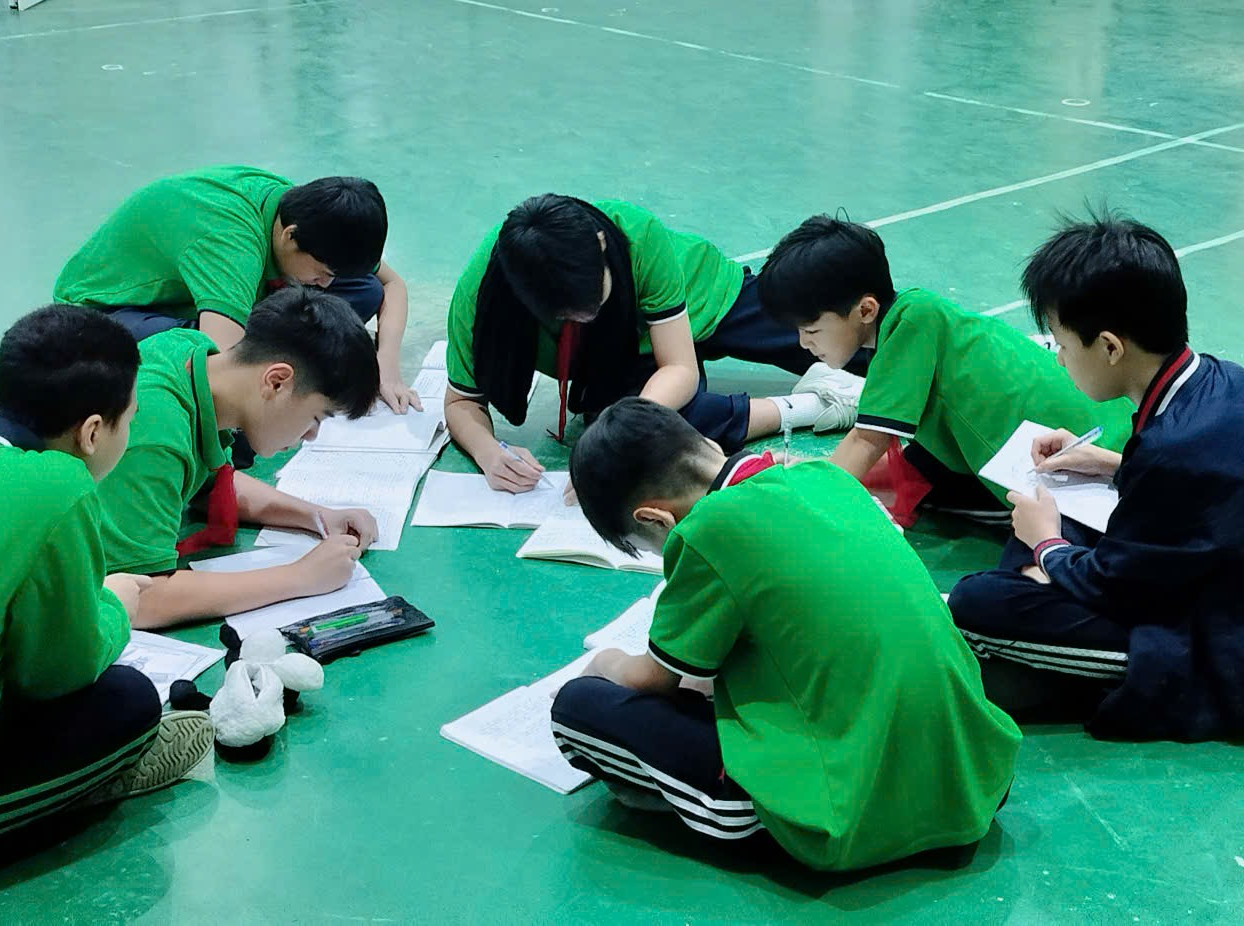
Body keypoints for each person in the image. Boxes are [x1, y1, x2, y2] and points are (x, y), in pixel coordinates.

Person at [551, 398, 1020, 870]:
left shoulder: (707, 530)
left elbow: (652, 680)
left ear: (654, 519)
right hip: (973, 777)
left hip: (847, 814)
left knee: (577, 706)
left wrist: (607, 662)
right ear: (709, 445)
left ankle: (728, 803)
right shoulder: (828, 477)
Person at [947, 212, 1244, 742]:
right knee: (1061, 499)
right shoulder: (1218, 379)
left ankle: (1062, 666)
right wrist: (1109, 464)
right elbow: (1206, 489)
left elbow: (1118, 585)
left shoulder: (1173, 447)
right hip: (1207, 573)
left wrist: (1047, 547)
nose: (1059, 360)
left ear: (1109, 347)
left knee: (978, 602)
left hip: (1211, 639)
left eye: (1061, 344)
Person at [0, 306, 213, 847]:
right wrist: (114, 607)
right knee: (129, 700)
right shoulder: (58, 485)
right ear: (93, 432)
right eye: (132, 419)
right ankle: (68, 793)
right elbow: (56, 674)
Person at [444, 195, 848, 493]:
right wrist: (488, 452)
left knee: (828, 329)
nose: (580, 318)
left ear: (603, 245)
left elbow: (680, 367)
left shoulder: (638, 236)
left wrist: (619, 430)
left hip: (702, 295)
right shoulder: (482, 294)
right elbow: (461, 402)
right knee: (660, 437)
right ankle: (813, 405)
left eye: (591, 302)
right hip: (622, 357)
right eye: (563, 314)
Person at [757, 214, 1133, 524]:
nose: (804, 343)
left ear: (866, 310)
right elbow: (916, 460)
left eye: (811, 330)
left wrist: (799, 495)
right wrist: (809, 468)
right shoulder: (921, 319)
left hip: (1096, 460)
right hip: (1105, 437)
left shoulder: (913, 322)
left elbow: (867, 440)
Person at [95, 286, 382, 629]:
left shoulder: (194, 352)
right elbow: (141, 598)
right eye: (317, 417)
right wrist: (300, 577)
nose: (311, 435)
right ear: (277, 382)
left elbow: (213, 482)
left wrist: (317, 516)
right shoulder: (155, 431)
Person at [54, 165, 419, 413]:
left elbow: (392, 285)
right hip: (106, 312)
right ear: (290, 237)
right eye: (323, 272)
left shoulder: (302, 211)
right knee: (192, 353)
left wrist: (385, 366)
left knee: (366, 291)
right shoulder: (231, 244)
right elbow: (221, 373)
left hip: (215, 292)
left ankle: (287, 339)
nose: (327, 285)